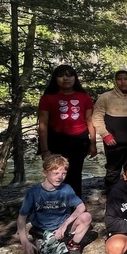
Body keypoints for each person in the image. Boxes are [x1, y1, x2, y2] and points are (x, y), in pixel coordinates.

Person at [17, 154, 93, 254]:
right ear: (45, 173)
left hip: (64, 228)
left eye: (63, 173)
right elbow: (22, 217)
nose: (60, 177)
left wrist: (64, 225)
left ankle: (73, 246)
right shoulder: (33, 192)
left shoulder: (66, 188)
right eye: (55, 173)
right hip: (45, 232)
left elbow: (81, 206)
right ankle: (53, 248)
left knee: (86, 217)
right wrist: (24, 241)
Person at [37, 64, 96, 199]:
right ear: (55, 79)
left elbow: (90, 121)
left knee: (75, 174)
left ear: (75, 78)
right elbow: (43, 125)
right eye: (61, 76)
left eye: (69, 75)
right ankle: (56, 206)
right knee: (57, 174)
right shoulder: (48, 98)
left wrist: (93, 143)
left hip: (79, 141)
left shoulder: (84, 97)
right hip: (57, 140)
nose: (65, 79)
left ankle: (76, 207)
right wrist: (45, 150)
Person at [92, 68, 127, 192]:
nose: (123, 82)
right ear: (115, 81)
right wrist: (105, 134)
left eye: (125, 79)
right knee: (113, 171)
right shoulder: (105, 97)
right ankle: (111, 197)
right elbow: (97, 117)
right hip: (112, 142)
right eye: (119, 79)